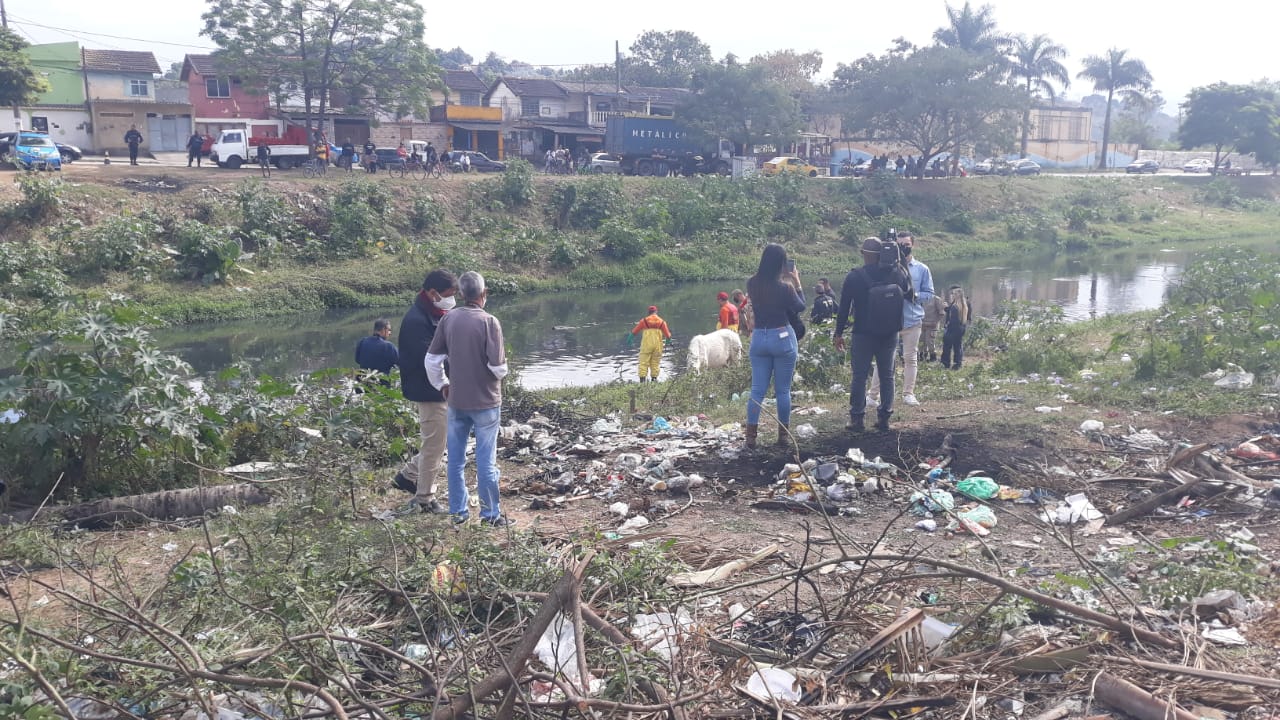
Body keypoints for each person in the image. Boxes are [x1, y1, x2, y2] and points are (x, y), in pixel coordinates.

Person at [425, 271, 513, 527]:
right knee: (486, 462)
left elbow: (431, 360)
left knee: (455, 460)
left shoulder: (448, 319)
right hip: (486, 402)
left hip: (456, 401)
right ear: (483, 294)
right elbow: (498, 368)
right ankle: (490, 515)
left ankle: (458, 513)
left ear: (462, 295)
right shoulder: (489, 322)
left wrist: (443, 384)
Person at [393, 270, 458, 515]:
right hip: (430, 389)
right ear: (433, 293)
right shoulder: (417, 321)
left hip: (435, 388)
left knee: (435, 440)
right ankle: (424, 499)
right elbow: (431, 361)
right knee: (435, 445)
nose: (452, 300)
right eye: (449, 295)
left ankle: (408, 476)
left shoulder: (431, 313)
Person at [833, 238, 911, 433]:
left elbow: (843, 308)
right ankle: (884, 418)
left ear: (866, 254)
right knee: (887, 376)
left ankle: (857, 419)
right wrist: (901, 264)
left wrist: (838, 333)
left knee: (859, 376)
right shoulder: (897, 273)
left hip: (863, 334)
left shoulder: (855, 277)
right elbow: (910, 295)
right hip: (890, 334)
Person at [744, 244, 805, 449]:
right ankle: (783, 436)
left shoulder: (752, 283)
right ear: (782, 264)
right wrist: (796, 281)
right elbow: (800, 307)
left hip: (760, 337)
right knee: (783, 391)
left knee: (757, 390)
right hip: (782, 337)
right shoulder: (785, 288)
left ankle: (751, 437)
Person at [869, 232, 934, 407]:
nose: (904, 247)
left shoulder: (922, 269)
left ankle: (908, 393)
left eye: (906, 244)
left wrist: (914, 295)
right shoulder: (885, 268)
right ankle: (873, 395)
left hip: (912, 320)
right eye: (900, 244)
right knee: (883, 358)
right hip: (889, 321)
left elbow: (929, 294)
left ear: (913, 245)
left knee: (910, 358)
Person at [630, 305, 672, 382]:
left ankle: (642, 381)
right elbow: (668, 335)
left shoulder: (644, 321)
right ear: (656, 312)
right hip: (657, 345)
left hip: (646, 345)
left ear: (648, 313)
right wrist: (668, 342)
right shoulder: (661, 322)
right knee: (655, 362)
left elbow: (634, 331)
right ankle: (654, 380)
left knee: (643, 362)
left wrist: (630, 339)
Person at [942, 285, 971, 370]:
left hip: (953, 329)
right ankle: (957, 364)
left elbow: (953, 319)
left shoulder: (955, 306)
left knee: (947, 347)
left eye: (953, 293)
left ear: (957, 295)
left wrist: (947, 327)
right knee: (957, 347)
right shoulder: (964, 304)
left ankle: (946, 364)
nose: (952, 295)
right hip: (961, 328)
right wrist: (946, 308)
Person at [920, 292, 946, 362]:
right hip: (922, 324)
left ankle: (933, 358)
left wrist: (936, 322)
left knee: (930, 342)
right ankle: (922, 357)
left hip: (932, 325)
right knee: (921, 342)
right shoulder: (921, 298)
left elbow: (942, 313)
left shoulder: (936, 299)